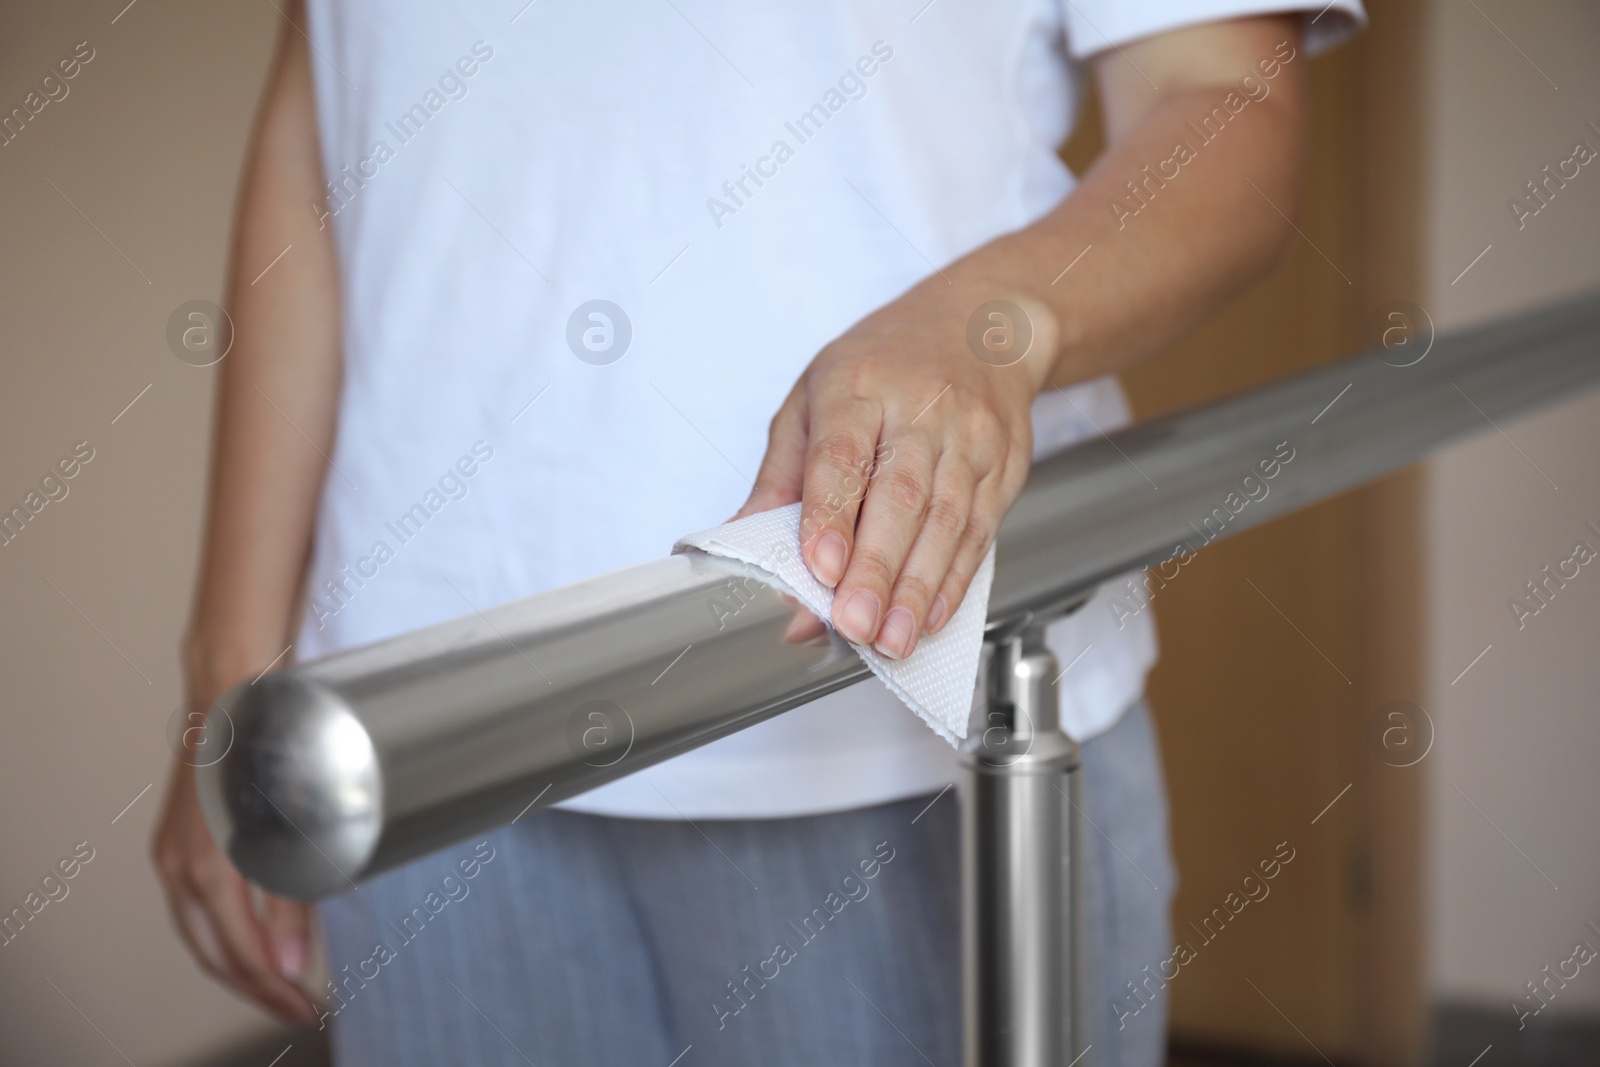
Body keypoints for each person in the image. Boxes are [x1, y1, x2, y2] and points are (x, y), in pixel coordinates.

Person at [153, 0, 1362, 1063]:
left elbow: (1216, 95)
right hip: (421, 719)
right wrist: (228, 665)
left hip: (878, 694)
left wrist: (987, 320)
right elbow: (324, 130)